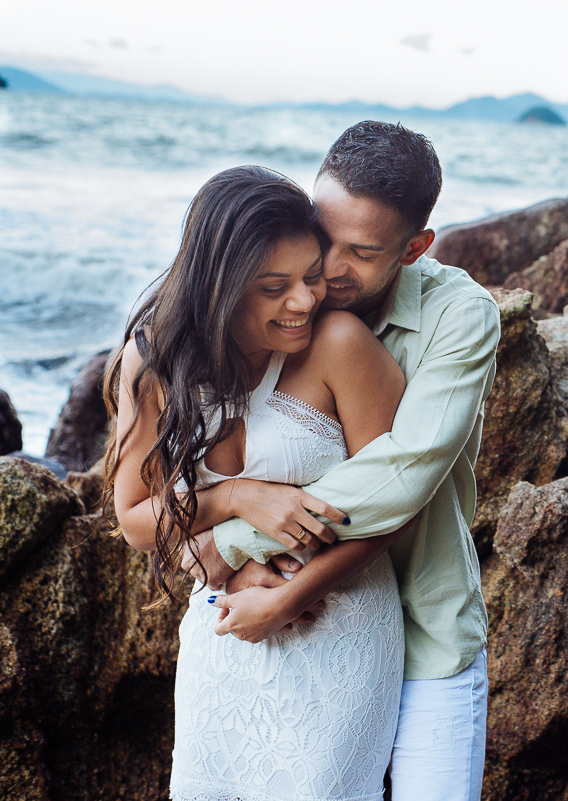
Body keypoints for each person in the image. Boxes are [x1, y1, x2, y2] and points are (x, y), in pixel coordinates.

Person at [186, 121, 500, 800]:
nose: (329, 268)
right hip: (300, 636)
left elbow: (402, 474)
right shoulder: (283, 308)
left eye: (361, 251)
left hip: (425, 630)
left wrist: (230, 543)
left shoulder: (461, 316)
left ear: (415, 249)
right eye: (324, 236)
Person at [106, 165, 413, 799]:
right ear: (218, 289)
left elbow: (397, 505)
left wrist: (289, 599)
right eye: (274, 287)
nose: (304, 301)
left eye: (311, 276)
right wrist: (234, 497)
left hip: (337, 624)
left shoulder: (341, 344)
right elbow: (135, 520)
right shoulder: (153, 360)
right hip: (224, 627)